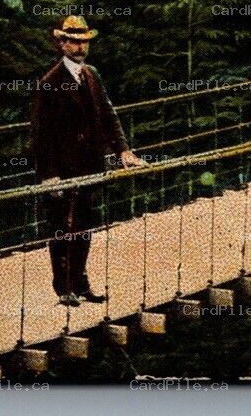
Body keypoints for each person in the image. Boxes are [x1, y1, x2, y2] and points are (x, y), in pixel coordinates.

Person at [30, 15, 144, 307]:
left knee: (84, 223)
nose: (80, 47)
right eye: (74, 42)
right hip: (62, 167)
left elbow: (108, 115)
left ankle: (80, 282)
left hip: (91, 163)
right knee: (59, 226)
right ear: (62, 43)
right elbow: (42, 134)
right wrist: (49, 175)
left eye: (84, 42)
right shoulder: (50, 82)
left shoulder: (91, 74)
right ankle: (62, 286)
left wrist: (123, 151)